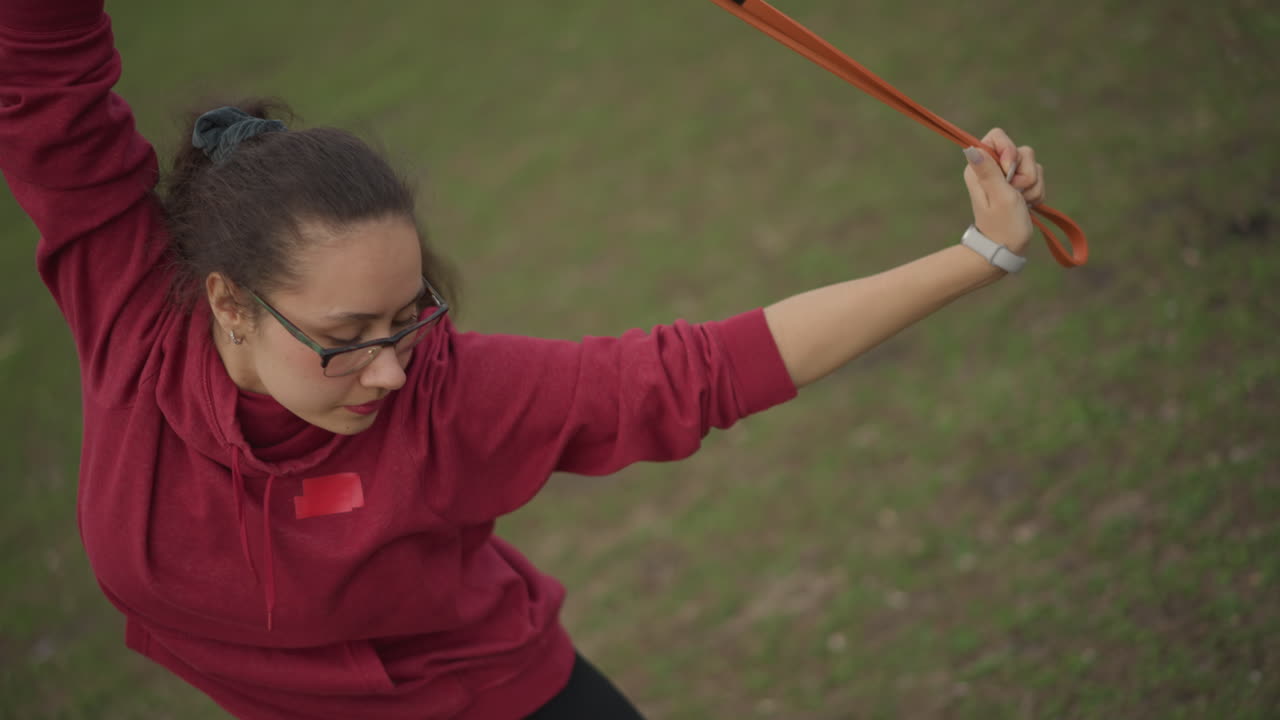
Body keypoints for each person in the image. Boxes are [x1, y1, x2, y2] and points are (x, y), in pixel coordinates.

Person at [0, 0, 1047, 718]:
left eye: (407, 318)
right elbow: (46, 84)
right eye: (345, 338)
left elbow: (698, 372)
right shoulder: (132, 308)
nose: (391, 373)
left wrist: (976, 255)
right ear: (227, 303)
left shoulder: (451, 396)